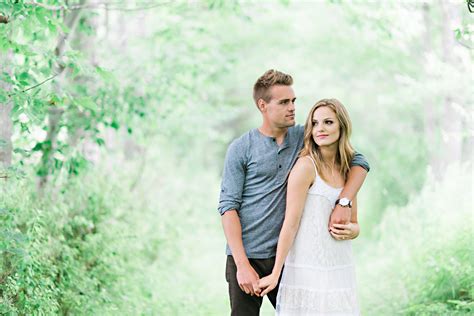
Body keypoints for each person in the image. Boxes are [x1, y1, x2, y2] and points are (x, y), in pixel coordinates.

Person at [218, 70, 369, 316]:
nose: (292, 108)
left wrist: (344, 202)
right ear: (263, 105)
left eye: (294, 101)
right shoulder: (240, 148)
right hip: (247, 255)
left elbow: (359, 161)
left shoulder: (304, 136)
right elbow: (228, 208)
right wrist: (242, 264)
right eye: (284, 102)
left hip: (288, 256)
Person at [257, 98, 362, 315]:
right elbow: (290, 223)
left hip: (339, 268)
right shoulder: (305, 167)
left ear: (342, 126)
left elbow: (355, 224)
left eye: (328, 122)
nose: (320, 129)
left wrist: (352, 231)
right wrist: (276, 273)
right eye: (314, 123)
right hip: (308, 271)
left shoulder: (348, 170)